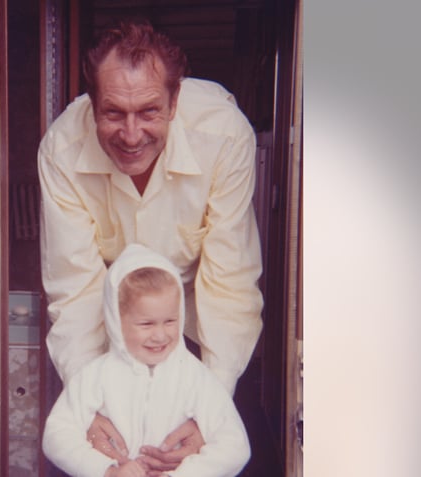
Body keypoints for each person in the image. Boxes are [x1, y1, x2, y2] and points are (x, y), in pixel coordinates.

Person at [39, 18, 263, 471]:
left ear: (175, 101)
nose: (131, 134)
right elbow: (75, 288)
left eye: (148, 112)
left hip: (196, 318)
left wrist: (209, 407)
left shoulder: (224, 136)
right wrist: (90, 406)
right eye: (113, 112)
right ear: (91, 105)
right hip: (107, 320)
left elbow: (229, 281)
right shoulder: (61, 149)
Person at [42, 244, 251, 477]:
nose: (160, 335)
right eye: (146, 324)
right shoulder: (96, 375)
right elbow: (57, 435)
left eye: (170, 321)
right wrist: (106, 471)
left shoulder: (196, 377)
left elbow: (235, 446)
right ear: (116, 321)